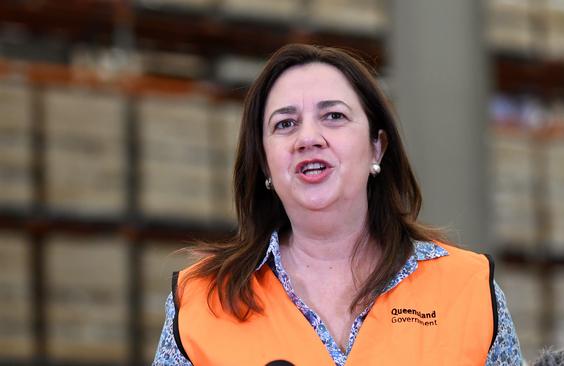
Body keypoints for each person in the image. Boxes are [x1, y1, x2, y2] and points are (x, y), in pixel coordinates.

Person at [153, 44, 522, 365]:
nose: (308, 137)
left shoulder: (468, 289)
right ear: (265, 162)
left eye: (334, 116)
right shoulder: (201, 301)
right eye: (285, 124)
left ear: (377, 146)